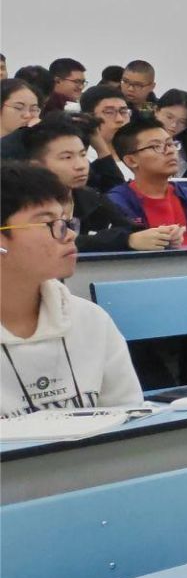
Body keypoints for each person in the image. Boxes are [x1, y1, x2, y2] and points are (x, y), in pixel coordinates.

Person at [0, 161, 144, 420]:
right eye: (48, 224)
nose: (68, 235)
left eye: (65, 222)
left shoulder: (90, 320)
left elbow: (129, 418)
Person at [19, 123, 174, 253]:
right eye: (67, 157)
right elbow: (47, 242)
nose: (81, 165)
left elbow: (131, 229)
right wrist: (125, 240)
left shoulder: (91, 198)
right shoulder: (18, 204)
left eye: (82, 155)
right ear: (36, 166)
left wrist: (161, 237)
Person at [104, 119, 187, 246]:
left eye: (170, 144)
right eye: (156, 146)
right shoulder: (116, 204)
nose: (170, 151)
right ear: (131, 160)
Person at [80, 85, 134, 192]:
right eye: (109, 112)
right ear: (89, 118)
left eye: (124, 112)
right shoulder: (84, 160)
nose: (120, 119)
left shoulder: (140, 154)